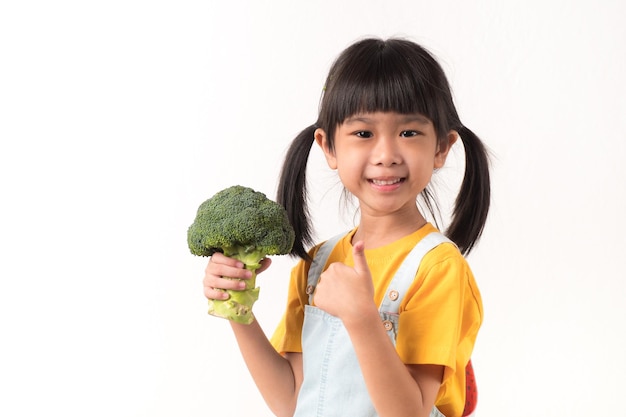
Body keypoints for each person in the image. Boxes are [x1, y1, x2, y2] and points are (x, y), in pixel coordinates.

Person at [203, 37, 490, 417]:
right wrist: (236, 308)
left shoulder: (438, 269)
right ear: (328, 147)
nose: (386, 155)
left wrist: (363, 318)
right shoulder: (318, 263)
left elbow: (412, 412)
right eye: (363, 133)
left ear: (441, 147)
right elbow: (292, 401)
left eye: (408, 132)